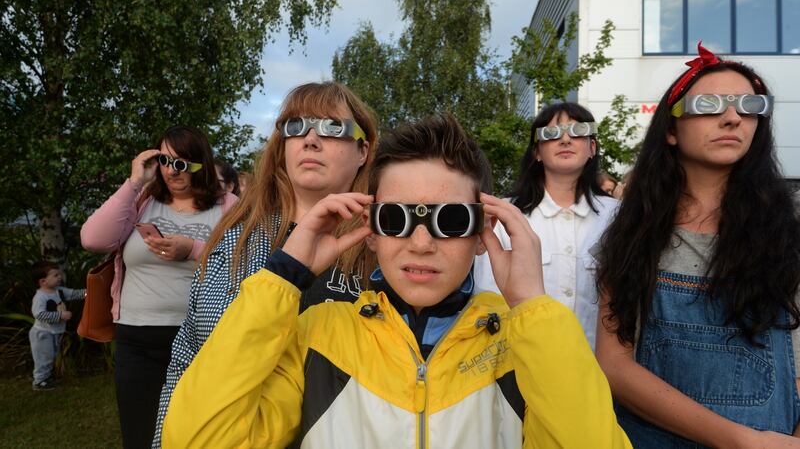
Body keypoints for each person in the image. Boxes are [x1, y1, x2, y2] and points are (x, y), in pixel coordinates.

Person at [161, 114, 630, 448]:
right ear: (370, 231)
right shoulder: (319, 333)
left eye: (450, 220)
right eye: (396, 218)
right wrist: (283, 276)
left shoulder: (521, 342)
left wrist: (532, 305)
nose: (421, 243)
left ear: (484, 233)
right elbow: (198, 439)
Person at [595, 43, 800, 447]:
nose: (732, 117)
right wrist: (740, 440)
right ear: (671, 130)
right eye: (708, 104)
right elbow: (615, 365)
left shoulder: (787, 227)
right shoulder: (633, 231)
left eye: (748, 106)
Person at [151, 82, 378, 447]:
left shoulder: (384, 242)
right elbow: (189, 354)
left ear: (363, 150)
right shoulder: (236, 236)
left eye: (332, 127)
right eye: (296, 127)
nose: (310, 139)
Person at [81, 125, 238, 448]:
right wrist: (134, 181)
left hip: (202, 339)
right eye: (165, 161)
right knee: (139, 433)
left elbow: (246, 262)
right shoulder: (143, 199)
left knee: (197, 435)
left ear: (202, 165)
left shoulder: (228, 206)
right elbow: (93, 239)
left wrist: (192, 250)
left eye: (182, 164)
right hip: (136, 339)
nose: (171, 171)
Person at [474, 102, 618, 350]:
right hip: (523, 362)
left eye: (578, 131)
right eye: (551, 133)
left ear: (592, 148)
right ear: (537, 152)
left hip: (599, 367)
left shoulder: (618, 216)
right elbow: (487, 301)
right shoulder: (505, 215)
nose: (565, 139)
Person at [28, 261, 85, 391]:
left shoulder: (59, 291)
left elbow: (74, 294)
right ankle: (39, 381)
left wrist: (89, 292)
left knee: (51, 355)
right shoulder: (40, 297)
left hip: (53, 332)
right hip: (42, 334)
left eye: (59, 274)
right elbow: (39, 314)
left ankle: (45, 378)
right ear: (43, 281)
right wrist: (60, 316)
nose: (59, 277)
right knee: (44, 357)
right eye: (55, 275)